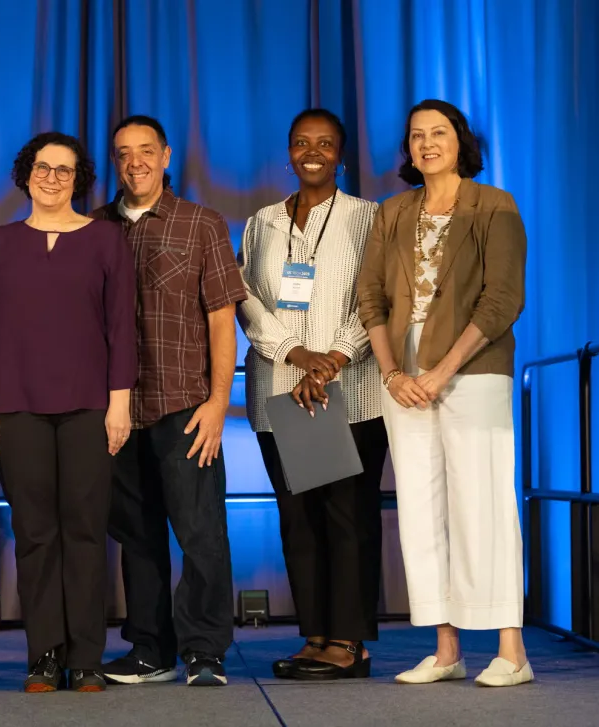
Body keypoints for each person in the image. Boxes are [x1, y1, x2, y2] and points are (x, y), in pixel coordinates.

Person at [356, 99, 531, 687]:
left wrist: (441, 371)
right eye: (416, 136)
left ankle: (512, 649)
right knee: (421, 512)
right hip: (403, 382)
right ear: (407, 150)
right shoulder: (393, 212)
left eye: (439, 133)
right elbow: (371, 299)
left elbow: (502, 299)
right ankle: (446, 647)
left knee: (482, 503)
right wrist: (394, 374)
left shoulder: (495, 205)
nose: (427, 143)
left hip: (474, 374)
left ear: (461, 141)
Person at [0, 132, 136, 693]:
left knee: (86, 532)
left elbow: (121, 328)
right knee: (35, 534)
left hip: (92, 406)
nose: (52, 178)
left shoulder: (108, 240)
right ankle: (43, 654)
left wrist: (120, 405)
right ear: (25, 173)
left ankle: (86, 657)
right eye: (43, 167)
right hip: (16, 408)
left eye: (64, 170)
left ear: (78, 179)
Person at [92, 116, 247, 687]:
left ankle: (204, 649)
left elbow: (222, 318)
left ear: (165, 156)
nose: (135, 161)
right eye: (124, 152)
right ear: (116, 161)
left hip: (184, 404)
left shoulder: (201, 224)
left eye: (146, 151)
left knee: (201, 531)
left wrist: (218, 400)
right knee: (136, 534)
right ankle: (150, 649)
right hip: (115, 409)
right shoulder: (95, 228)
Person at [236, 109, 387, 681]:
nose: (313, 151)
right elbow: (244, 298)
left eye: (325, 143)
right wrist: (296, 356)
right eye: (302, 143)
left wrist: (332, 360)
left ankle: (349, 642)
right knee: (298, 520)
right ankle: (316, 636)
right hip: (281, 391)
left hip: (347, 393)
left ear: (341, 155)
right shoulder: (261, 223)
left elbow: (376, 299)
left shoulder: (368, 218)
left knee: (345, 516)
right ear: (289, 153)